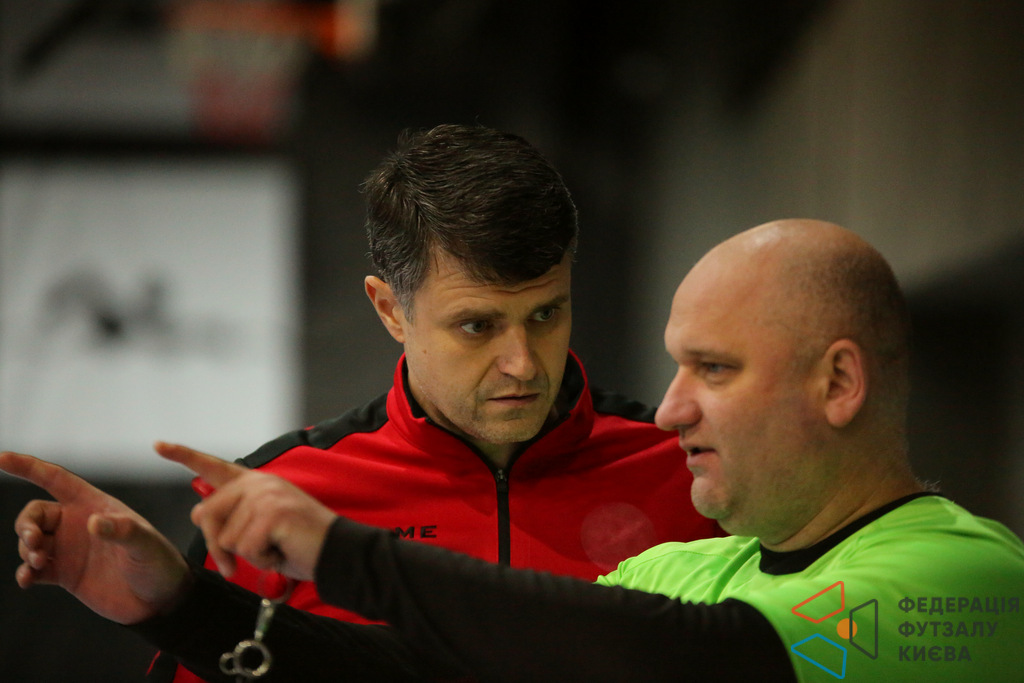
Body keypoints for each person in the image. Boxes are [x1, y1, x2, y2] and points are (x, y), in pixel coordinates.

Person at [8, 218, 1016, 682]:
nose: (670, 407)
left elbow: (687, 658)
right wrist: (182, 606)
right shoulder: (688, 568)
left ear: (838, 383)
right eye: (677, 366)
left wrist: (343, 552)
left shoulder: (968, 583)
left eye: (713, 369)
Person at [4, 124, 720, 682]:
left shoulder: (691, 467)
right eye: (477, 325)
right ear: (389, 310)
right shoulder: (279, 497)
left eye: (545, 314)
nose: (523, 362)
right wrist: (174, 607)